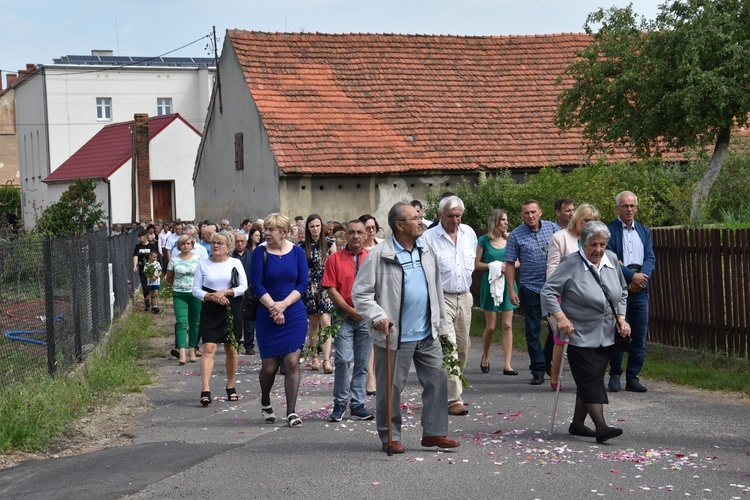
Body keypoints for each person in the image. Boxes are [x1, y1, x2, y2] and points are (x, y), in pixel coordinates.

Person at [352, 202, 459, 453]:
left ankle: (433, 433)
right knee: (391, 388)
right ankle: (390, 435)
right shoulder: (380, 254)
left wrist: (441, 325)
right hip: (395, 335)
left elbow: (435, 289)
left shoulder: (426, 249)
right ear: (399, 225)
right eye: (415, 218)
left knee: (438, 380)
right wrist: (377, 315)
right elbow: (361, 293)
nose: (421, 221)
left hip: (426, 332)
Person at [541, 221, 631, 443]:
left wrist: (621, 318)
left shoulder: (611, 259)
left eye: (602, 244)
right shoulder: (571, 263)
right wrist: (560, 317)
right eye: (593, 245)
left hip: (606, 334)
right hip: (578, 333)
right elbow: (548, 292)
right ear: (583, 243)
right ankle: (601, 428)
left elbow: (622, 292)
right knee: (591, 380)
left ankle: (578, 424)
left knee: (591, 378)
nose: (599, 250)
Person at [251, 213, 309, 428]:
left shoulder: (297, 252)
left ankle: (291, 412)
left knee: (292, 362)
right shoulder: (260, 253)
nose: (266, 232)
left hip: (294, 312)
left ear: (284, 232)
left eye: (272, 229)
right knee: (269, 368)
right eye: (266, 229)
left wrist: (283, 305)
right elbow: (256, 284)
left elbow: (303, 283)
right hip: (267, 312)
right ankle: (265, 400)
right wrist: (274, 307)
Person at [422, 195, 476, 416]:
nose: (455, 220)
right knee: (449, 349)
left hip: (464, 296)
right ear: (440, 215)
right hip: (441, 297)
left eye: (458, 215)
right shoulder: (428, 238)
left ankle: (451, 389)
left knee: (464, 348)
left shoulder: (469, 233)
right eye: (450, 216)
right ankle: (454, 399)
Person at [322, 219, 374, 422]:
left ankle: (357, 404)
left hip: (366, 316)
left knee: (362, 362)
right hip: (344, 315)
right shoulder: (334, 259)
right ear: (345, 235)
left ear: (366, 234)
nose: (356, 236)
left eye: (360, 232)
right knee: (343, 359)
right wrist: (349, 310)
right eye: (351, 232)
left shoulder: (372, 258)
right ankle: (340, 403)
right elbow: (331, 288)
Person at [546, 203, 600, 389]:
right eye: (586, 220)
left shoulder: (596, 240)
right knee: (562, 338)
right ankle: (555, 375)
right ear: (577, 219)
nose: (590, 224)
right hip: (565, 295)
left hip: (589, 296)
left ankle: (585, 377)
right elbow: (552, 269)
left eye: (594, 221)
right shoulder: (560, 238)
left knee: (587, 339)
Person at [606, 191, 656, 393]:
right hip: (618, 289)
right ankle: (615, 374)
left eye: (632, 206)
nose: (629, 209)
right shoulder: (609, 231)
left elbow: (650, 257)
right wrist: (630, 276)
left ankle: (633, 377)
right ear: (617, 208)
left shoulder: (644, 231)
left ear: (636, 207)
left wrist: (642, 277)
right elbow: (609, 259)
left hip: (640, 290)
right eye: (625, 206)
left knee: (640, 334)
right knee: (618, 333)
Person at [504, 200, 557, 385]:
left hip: (552, 287)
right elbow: (510, 262)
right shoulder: (516, 235)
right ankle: (537, 370)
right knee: (533, 330)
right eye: (526, 213)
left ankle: (547, 360)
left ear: (540, 212)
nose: (530, 216)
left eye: (533, 212)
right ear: (521, 215)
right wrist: (512, 289)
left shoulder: (552, 228)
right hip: (530, 287)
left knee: (555, 328)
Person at [192, 231, 247, 407]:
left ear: (228, 248)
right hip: (210, 308)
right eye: (214, 242)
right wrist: (211, 296)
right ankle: (205, 389)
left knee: (231, 348)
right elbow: (195, 290)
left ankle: (230, 386)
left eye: (220, 243)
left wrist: (226, 292)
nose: (215, 246)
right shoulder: (203, 264)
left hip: (231, 307)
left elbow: (244, 286)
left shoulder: (235, 263)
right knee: (208, 347)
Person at [475, 209, 518, 375]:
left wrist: (507, 267)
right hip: (490, 283)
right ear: (495, 222)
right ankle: (485, 356)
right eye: (503, 220)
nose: (506, 223)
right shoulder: (484, 240)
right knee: (491, 326)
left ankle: (507, 364)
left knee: (507, 325)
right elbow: (477, 264)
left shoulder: (511, 239)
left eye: (507, 220)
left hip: (507, 283)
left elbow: (517, 262)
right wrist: (492, 265)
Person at [301, 214, 334, 373]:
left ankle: (327, 360)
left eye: (318, 226)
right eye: (312, 226)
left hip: (326, 285)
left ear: (322, 227)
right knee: (313, 323)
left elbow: (334, 267)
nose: (315, 229)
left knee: (326, 321)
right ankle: (314, 356)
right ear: (308, 228)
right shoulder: (301, 246)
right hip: (309, 286)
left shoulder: (329, 244)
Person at [166, 234, 203, 364]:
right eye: (183, 244)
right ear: (179, 246)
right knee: (181, 322)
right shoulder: (174, 260)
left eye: (188, 243)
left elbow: (202, 276)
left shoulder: (199, 260)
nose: (186, 246)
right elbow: (169, 277)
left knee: (194, 323)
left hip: (195, 294)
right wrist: (177, 286)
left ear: (192, 245)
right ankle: (182, 352)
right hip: (179, 294)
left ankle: (192, 350)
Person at [232, 231, 256, 356]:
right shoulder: (230, 256)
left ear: (246, 242)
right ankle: (235, 342)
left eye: (242, 241)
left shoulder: (252, 255)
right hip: (234, 291)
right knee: (235, 318)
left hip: (249, 291)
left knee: (249, 319)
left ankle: (249, 344)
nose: (240, 244)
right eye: (237, 241)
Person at [133, 228, 158, 311]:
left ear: (145, 237)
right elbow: (135, 256)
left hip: (151, 269)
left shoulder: (151, 246)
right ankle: (147, 304)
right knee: (145, 287)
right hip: (142, 269)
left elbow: (155, 257)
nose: (138, 239)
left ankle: (153, 303)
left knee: (152, 287)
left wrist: (155, 267)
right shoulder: (138, 246)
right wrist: (135, 266)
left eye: (140, 237)